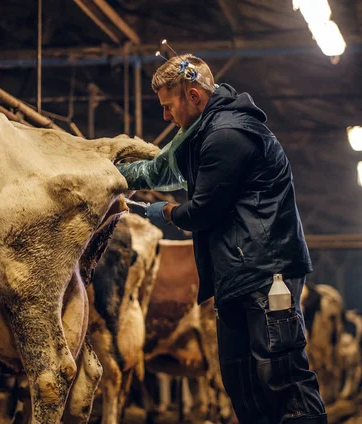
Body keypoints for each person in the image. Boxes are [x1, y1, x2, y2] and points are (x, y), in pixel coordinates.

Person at [117, 54, 327, 423]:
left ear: (195, 96)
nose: (166, 116)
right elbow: (160, 168)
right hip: (236, 275)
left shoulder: (227, 135)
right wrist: (112, 173)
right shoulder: (202, 134)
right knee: (241, 382)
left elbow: (203, 211)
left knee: (281, 379)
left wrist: (163, 212)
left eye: (169, 106)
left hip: (266, 273)